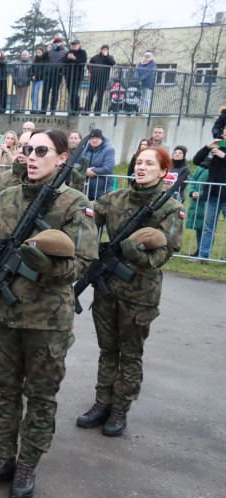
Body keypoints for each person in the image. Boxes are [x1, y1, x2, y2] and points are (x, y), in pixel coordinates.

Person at [0, 129, 98, 498]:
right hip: (5, 315)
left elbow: (84, 262)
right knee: (6, 392)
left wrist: (44, 265)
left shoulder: (75, 204)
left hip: (47, 321)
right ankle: (2, 458)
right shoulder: (6, 198)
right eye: (28, 149)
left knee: (40, 395)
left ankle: (27, 463)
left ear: (61, 158)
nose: (32, 155)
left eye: (42, 150)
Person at [76, 146, 183, 437]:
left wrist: (136, 255)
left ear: (163, 171)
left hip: (140, 293)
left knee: (130, 353)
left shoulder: (170, 208)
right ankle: (102, 402)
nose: (141, 167)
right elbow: (84, 219)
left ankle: (120, 408)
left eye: (149, 163)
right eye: (138, 162)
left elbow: (165, 254)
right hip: (108, 286)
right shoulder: (115, 198)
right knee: (107, 350)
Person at [192, 136, 226, 258]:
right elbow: (196, 161)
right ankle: (203, 255)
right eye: (225, 134)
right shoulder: (216, 148)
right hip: (213, 194)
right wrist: (207, 147)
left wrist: (224, 156)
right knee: (208, 227)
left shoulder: (221, 152)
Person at [185, 157, 211, 256]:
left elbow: (213, 183)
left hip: (208, 200)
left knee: (207, 227)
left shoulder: (217, 166)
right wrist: (192, 192)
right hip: (197, 200)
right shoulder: (202, 165)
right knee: (199, 225)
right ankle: (199, 249)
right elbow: (193, 178)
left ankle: (204, 252)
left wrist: (201, 193)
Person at [85, 128, 115, 201]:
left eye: (97, 138)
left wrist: (90, 171)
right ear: (89, 140)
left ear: (101, 139)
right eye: (92, 138)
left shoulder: (109, 149)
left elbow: (108, 168)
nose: (94, 140)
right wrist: (85, 171)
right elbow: (76, 162)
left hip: (102, 190)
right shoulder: (85, 148)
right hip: (85, 188)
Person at [86, 45, 116, 113]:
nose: (104, 50)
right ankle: (87, 110)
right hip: (94, 79)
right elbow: (89, 65)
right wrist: (92, 71)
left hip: (103, 79)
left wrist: (106, 56)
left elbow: (113, 63)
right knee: (90, 95)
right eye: (103, 49)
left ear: (108, 50)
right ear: (101, 50)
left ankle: (97, 111)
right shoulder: (95, 57)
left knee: (100, 96)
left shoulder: (110, 57)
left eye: (106, 49)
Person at [43, 37, 68, 113]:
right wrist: (47, 51)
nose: (56, 44)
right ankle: (43, 109)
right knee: (45, 92)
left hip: (58, 74)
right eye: (55, 42)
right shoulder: (50, 50)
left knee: (55, 92)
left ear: (61, 43)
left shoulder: (65, 51)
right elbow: (43, 59)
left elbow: (67, 63)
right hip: (48, 72)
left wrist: (62, 72)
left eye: (58, 42)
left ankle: (53, 109)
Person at [65, 39, 87, 113]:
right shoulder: (69, 52)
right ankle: (72, 109)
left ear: (79, 45)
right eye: (73, 45)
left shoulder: (82, 52)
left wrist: (74, 58)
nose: (74, 46)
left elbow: (83, 61)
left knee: (74, 93)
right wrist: (68, 58)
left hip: (77, 76)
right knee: (70, 93)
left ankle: (76, 109)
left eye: (75, 45)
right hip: (69, 76)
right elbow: (64, 61)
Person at [31, 47, 47, 113]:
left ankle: (36, 109)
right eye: (37, 52)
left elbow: (44, 71)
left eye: (39, 52)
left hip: (40, 79)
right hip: (34, 79)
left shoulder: (44, 61)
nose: (38, 53)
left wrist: (37, 76)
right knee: (32, 94)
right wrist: (32, 75)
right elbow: (32, 69)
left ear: (42, 53)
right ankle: (34, 108)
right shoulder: (35, 61)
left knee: (36, 93)